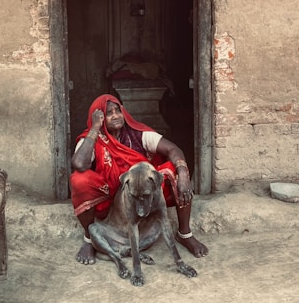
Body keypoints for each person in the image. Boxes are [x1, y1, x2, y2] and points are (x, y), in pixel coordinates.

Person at [70, 93, 208, 265]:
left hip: (143, 194)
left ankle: (185, 234)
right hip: (111, 199)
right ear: (99, 118)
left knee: (174, 170)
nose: (115, 116)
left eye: (118, 110)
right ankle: (89, 239)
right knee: (79, 179)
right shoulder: (92, 138)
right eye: (109, 113)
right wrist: (94, 129)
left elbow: (173, 149)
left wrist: (184, 173)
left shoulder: (137, 133)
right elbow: (79, 163)